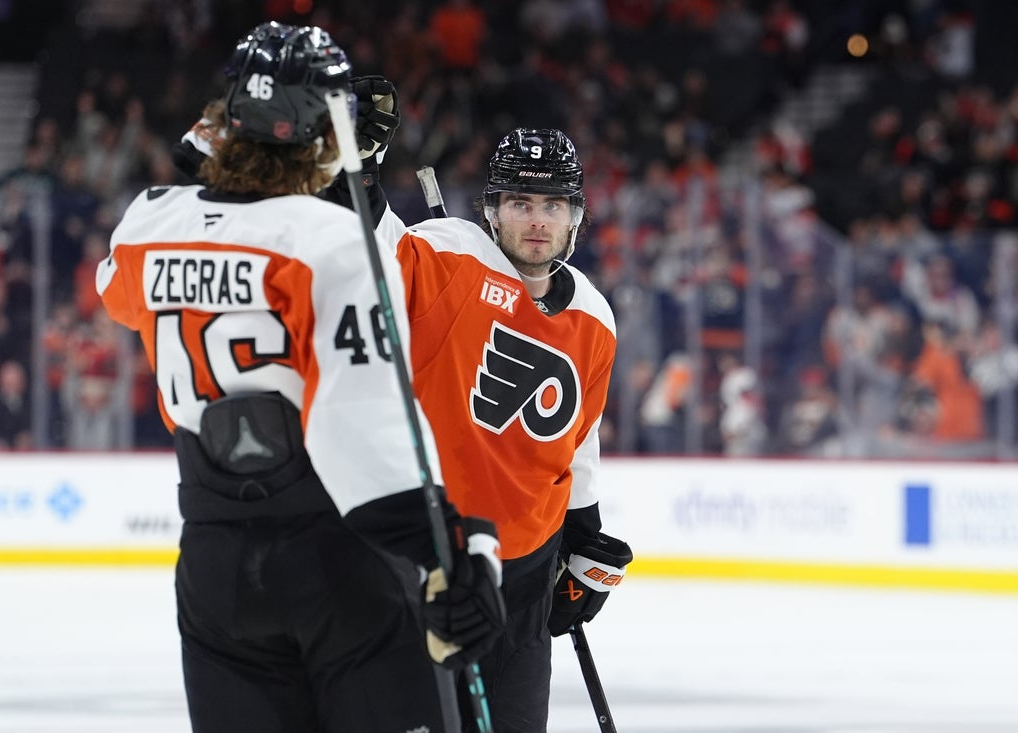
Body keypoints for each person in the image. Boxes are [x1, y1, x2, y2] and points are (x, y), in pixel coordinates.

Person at [96, 23, 504, 733]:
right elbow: (363, 423)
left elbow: (119, 286)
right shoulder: (334, 244)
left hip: (213, 567)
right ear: (323, 132)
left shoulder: (147, 225)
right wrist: (455, 550)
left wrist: (213, 152)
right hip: (335, 562)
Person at [332, 90, 633, 731]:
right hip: (432, 560)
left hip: (528, 573)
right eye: (521, 203)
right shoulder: (453, 254)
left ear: (575, 218)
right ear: (492, 211)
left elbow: (579, 440)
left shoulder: (595, 316)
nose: (536, 221)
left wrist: (584, 540)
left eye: (553, 205)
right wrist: (359, 169)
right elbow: (374, 247)